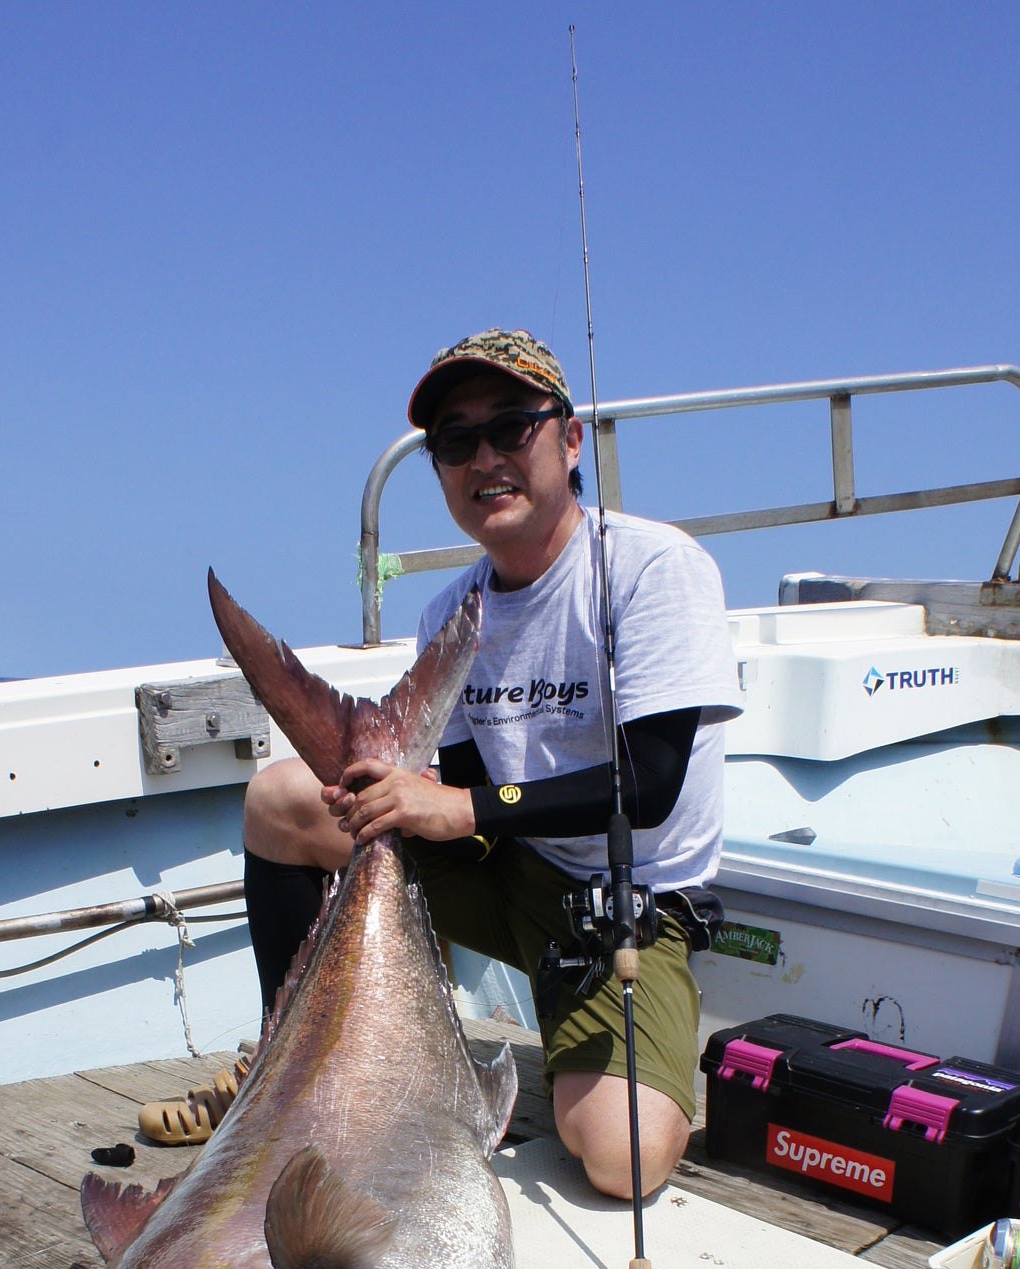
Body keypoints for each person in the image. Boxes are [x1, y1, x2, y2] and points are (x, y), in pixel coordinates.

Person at [150, 329, 743, 1196]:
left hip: (624, 904)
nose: (484, 459)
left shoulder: (652, 569)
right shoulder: (452, 611)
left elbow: (649, 786)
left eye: (511, 428)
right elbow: (461, 776)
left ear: (569, 439)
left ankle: (555, 1052)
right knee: (283, 798)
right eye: (455, 443)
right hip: (505, 871)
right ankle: (290, 1062)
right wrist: (401, 793)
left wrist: (461, 808)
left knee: (623, 1159)